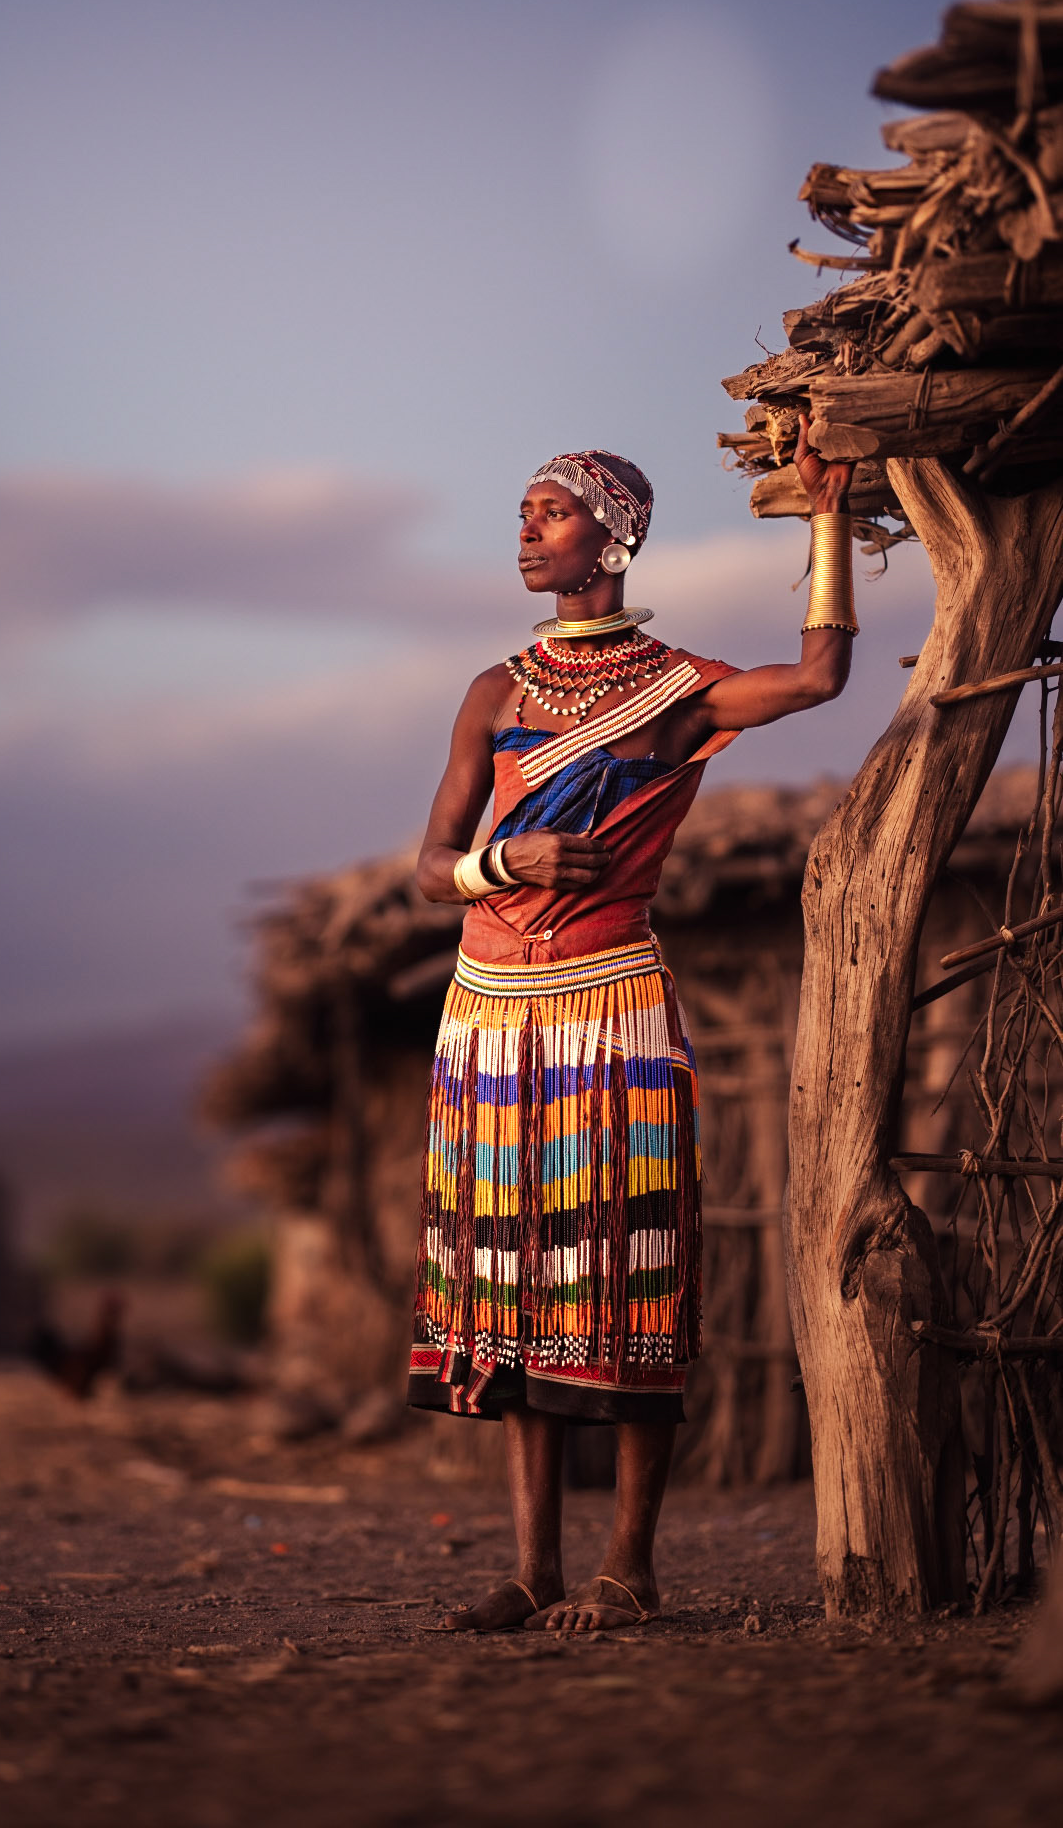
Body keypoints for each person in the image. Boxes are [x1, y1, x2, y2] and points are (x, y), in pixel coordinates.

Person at [407, 426, 855, 1635]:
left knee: (625, 1271)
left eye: (547, 512)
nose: (524, 530)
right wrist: (512, 855)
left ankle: (629, 1567)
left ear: (615, 536)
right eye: (520, 512)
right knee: (508, 1281)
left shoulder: (673, 690)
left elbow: (817, 678)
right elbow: (427, 867)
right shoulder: (492, 690)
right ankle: (532, 1568)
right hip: (487, 1017)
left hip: (610, 1006)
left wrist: (827, 520)